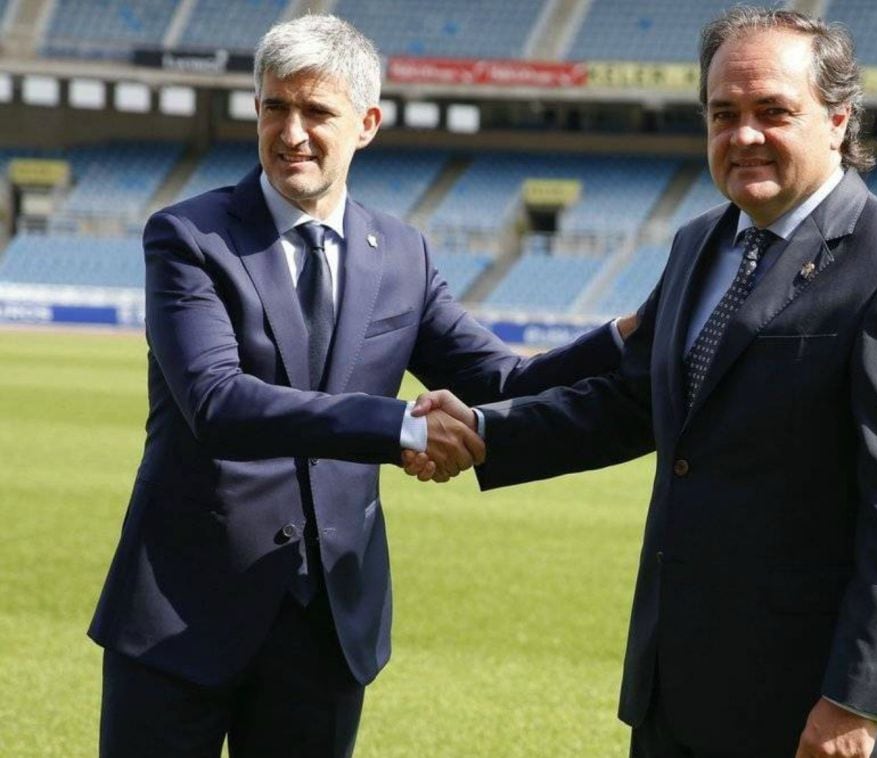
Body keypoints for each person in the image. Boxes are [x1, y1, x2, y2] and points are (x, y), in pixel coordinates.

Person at [407, 8, 877, 758]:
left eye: (773, 111)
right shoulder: (698, 243)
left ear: (838, 120)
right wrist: (487, 433)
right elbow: (632, 400)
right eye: (723, 113)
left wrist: (856, 703)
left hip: (810, 704)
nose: (743, 135)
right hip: (676, 687)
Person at [88, 13, 634, 758]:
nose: (292, 133)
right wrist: (402, 428)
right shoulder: (189, 236)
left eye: (317, 112)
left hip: (327, 625)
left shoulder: (401, 254)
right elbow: (216, 402)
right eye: (276, 107)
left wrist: (622, 338)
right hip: (181, 612)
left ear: (367, 123)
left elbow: (501, 379)